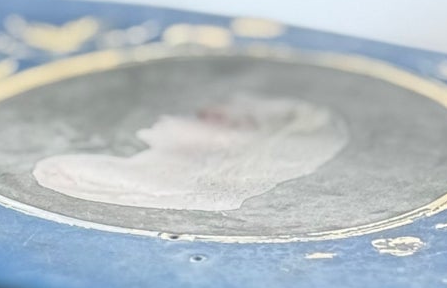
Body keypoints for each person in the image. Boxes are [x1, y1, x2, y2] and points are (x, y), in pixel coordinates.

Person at [33, 89, 348, 214]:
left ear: (233, 141)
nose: (196, 109)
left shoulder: (73, 170)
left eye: (213, 117)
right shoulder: (76, 169)